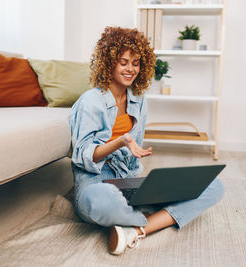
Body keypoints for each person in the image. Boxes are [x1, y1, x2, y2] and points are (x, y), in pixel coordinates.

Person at [69, 26, 225, 256]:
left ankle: (136, 230)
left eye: (136, 63)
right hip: (95, 181)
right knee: (103, 200)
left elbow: (133, 163)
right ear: (109, 62)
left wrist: (147, 187)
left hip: (126, 181)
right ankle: (149, 218)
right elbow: (83, 155)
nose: (130, 69)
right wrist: (120, 141)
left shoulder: (138, 99)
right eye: (123, 62)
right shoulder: (90, 101)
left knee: (213, 186)